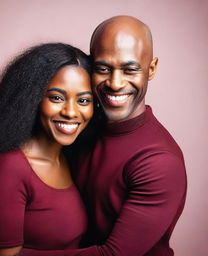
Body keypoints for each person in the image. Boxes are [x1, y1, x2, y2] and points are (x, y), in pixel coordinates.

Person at [19, 15, 187, 256]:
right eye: (103, 69)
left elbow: (113, 255)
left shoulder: (159, 162)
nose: (115, 83)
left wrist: (9, 254)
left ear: (151, 69)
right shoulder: (77, 127)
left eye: (130, 69)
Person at [0, 43, 94, 256]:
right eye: (57, 98)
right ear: (32, 98)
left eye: (83, 100)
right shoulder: (9, 168)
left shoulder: (72, 157)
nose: (71, 112)